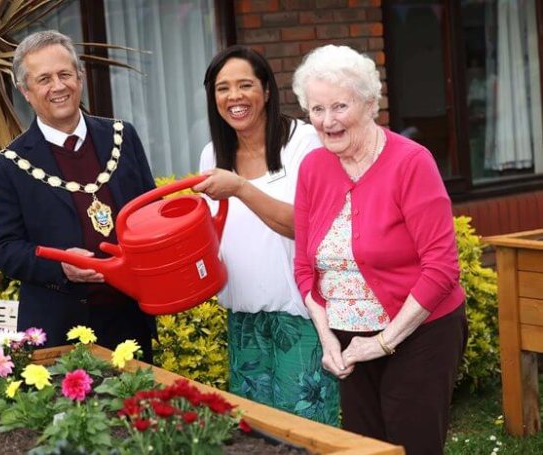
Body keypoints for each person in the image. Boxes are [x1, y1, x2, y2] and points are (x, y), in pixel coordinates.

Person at [292, 44, 467, 454]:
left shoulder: (411, 163)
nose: (327, 121)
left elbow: (441, 269)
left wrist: (384, 341)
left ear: (370, 104)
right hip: (348, 337)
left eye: (339, 106)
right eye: (316, 109)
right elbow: (304, 267)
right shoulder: (313, 168)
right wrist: (329, 340)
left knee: (413, 443)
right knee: (363, 447)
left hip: (420, 331)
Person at [0, 30, 156, 360]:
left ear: (80, 77)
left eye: (65, 74)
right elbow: (6, 250)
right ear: (26, 91)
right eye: (44, 79)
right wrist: (61, 267)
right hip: (59, 329)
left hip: (129, 320)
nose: (58, 86)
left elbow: (150, 214)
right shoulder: (7, 165)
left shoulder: (123, 136)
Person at [192, 45, 339, 425]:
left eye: (245, 85)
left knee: (306, 431)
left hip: (301, 317)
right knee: (255, 432)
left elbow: (305, 226)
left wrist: (241, 187)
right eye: (222, 88)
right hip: (243, 320)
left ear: (267, 91)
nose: (234, 97)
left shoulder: (303, 143)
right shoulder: (212, 154)